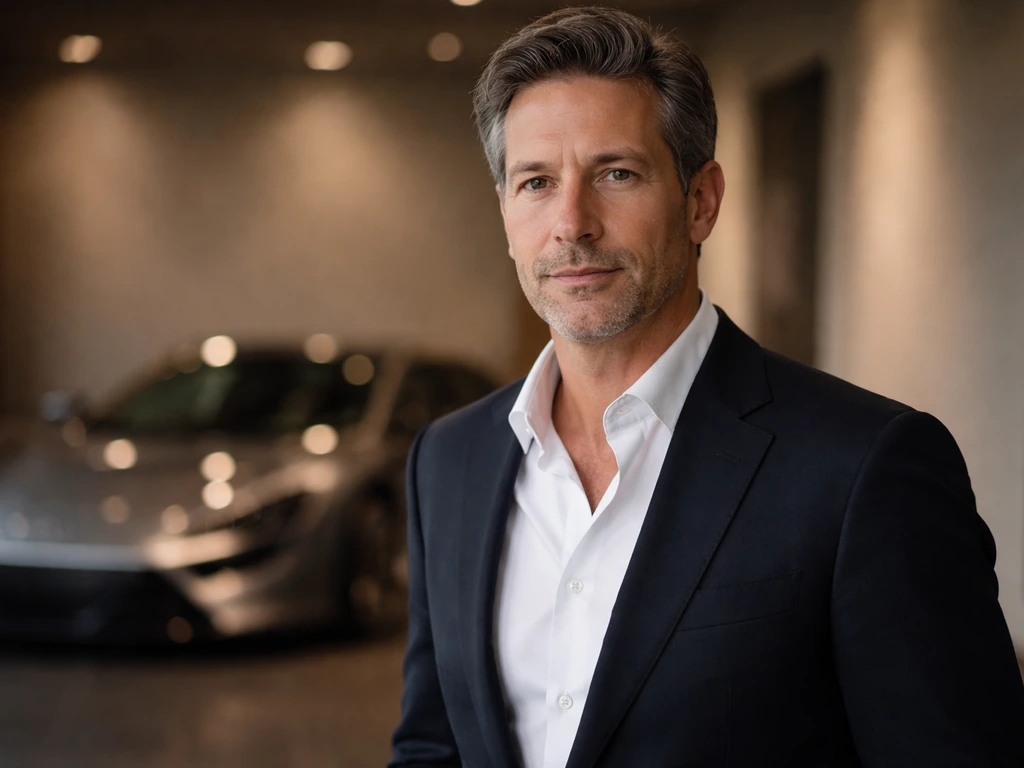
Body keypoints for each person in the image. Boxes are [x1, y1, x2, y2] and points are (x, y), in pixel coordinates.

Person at [390, 7, 1024, 767]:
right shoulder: (448, 461)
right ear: (505, 215)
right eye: (535, 182)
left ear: (701, 201)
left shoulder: (865, 468)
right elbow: (432, 744)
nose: (571, 222)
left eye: (615, 174)